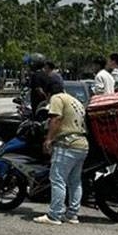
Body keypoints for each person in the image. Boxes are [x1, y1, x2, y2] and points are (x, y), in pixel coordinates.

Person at [34, 86, 90, 225]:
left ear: (47, 92)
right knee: (75, 182)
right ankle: (72, 214)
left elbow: (56, 119)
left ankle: (55, 215)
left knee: (57, 179)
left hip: (67, 144)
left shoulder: (56, 98)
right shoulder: (75, 100)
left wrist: (49, 139)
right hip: (82, 144)